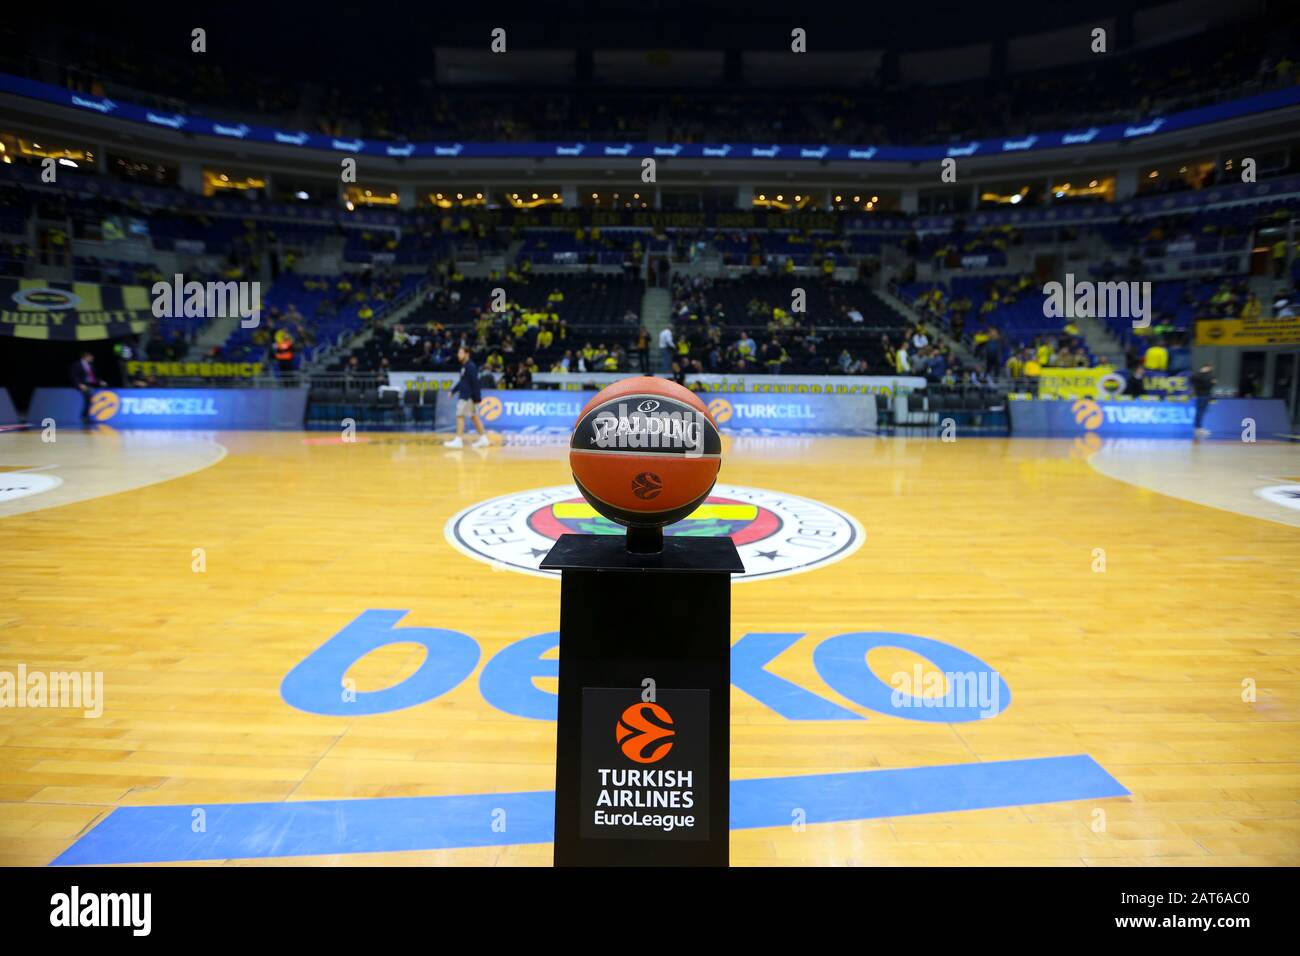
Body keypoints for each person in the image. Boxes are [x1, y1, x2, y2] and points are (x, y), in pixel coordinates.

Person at [445, 346, 489, 449]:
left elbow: (475, 382)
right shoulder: (463, 366)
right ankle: (484, 439)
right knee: (474, 417)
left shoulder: (471, 366)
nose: (458, 355)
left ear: (467, 354)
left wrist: (477, 398)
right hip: (466, 395)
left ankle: (458, 440)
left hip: (467, 396)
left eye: (460, 353)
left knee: (460, 415)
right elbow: (462, 382)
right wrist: (453, 391)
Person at [70, 350, 105, 423]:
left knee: (94, 396)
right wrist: (79, 384)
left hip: (90, 384)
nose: (92, 358)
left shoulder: (90, 365)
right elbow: (74, 376)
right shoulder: (77, 365)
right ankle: (84, 416)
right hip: (81, 385)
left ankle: (88, 416)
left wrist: (100, 381)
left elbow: (93, 376)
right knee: (88, 397)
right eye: (90, 356)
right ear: (85, 357)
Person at [1190, 363, 1216, 438]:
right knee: (1200, 412)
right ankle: (1198, 428)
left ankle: (1198, 428)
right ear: (1208, 367)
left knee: (1200, 412)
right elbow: (1209, 384)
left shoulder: (1197, 375)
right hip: (1203, 396)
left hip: (1201, 395)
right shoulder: (1206, 376)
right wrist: (1212, 383)